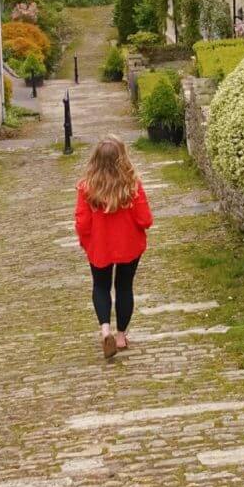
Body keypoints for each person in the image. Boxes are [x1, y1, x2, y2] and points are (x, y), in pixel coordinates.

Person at [75, 136, 153, 359]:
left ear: (95, 161)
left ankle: (105, 330)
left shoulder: (86, 188)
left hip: (100, 245)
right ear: (122, 159)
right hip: (128, 244)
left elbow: (82, 222)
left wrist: (87, 239)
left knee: (100, 286)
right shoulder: (132, 186)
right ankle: (120, 337)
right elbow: (145, 219)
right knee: (124, 287)